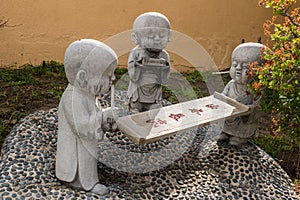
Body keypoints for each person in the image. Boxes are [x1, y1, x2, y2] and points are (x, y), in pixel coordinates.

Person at [55, 39, 117, 195]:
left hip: (86, 148)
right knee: (81, 166)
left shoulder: (87, 94)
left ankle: (88, 179)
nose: (113, 79)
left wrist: (105, 123)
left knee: (88, 160)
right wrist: (102, 117)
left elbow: (93, 120)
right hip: (75, 153)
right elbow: (82, 127)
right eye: (107, 75)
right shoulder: (73, 98)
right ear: (83, 77)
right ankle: (83, 184)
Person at [219, 42, 266, 145]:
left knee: (238, 135)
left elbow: (259, 106)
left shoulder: (256, 89)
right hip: (229, 116)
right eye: (235, 65)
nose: (238, 69)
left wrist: (248, 109)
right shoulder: (231, 84)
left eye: (245, 67)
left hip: (243, 119)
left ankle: (239, 137)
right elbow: (224, 94)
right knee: (226, 122)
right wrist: (221, 98)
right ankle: (225, 132)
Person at [127, 12, 172, 112]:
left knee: (153, 112)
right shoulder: (136, 53)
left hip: (154, 91)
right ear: (135, 38)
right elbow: (132, 73)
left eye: (161, 35)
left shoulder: (164, 55)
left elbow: (164, 78)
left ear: (169, 36)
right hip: (138, 91)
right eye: (151, 36)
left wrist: (165, 68)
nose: (157, 39)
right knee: (136, 110)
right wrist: (137, 65)